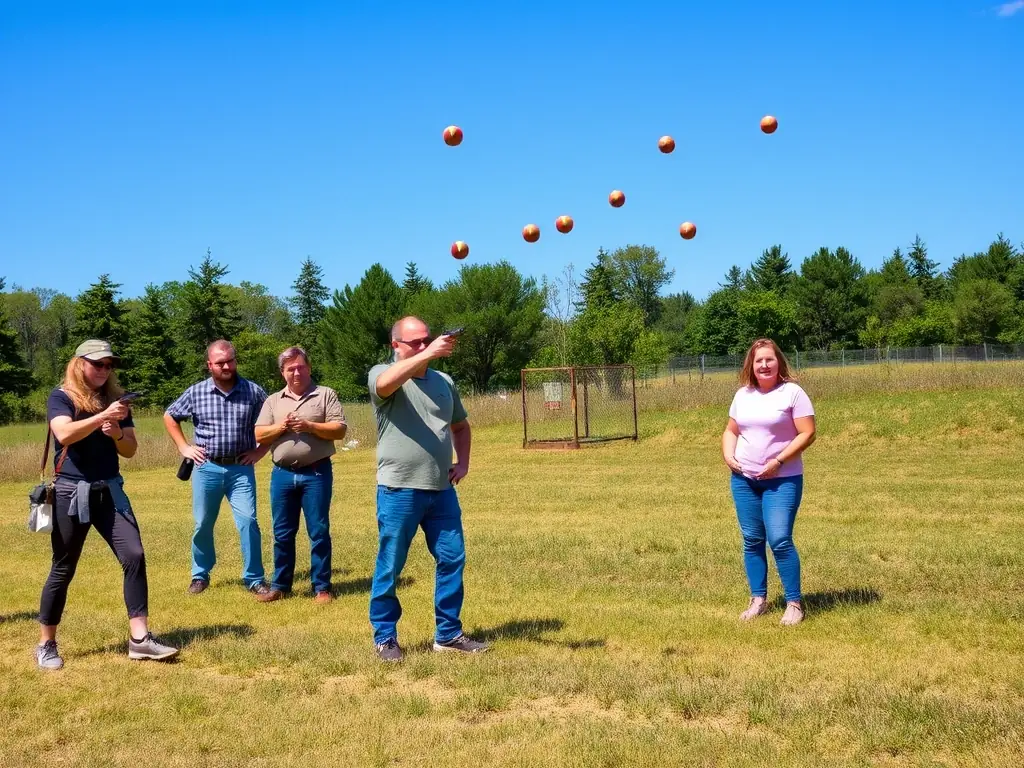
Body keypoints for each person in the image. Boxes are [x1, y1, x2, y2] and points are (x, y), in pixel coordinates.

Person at [35, 339, 179, 670]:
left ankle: (140, 640)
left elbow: (129, 450)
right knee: (63, 567)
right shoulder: (62, 397)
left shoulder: (116, 400)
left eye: (108, 365)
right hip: (72, 492)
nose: (104, 370)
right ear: (79, 364)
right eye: (97, 364)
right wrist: (101, 416)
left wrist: (115, 431)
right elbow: (64, 435)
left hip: (110, 490)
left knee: (134, 555)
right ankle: (46, 643)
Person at [366, 316, 489, 661]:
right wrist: (428, 354)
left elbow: (460, 427)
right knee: (390, 564)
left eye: (427, 341)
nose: (423, 346)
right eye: (415, 342)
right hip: (398, 490)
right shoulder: (382, 374)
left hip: (441, 490)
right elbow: (385, 384)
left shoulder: (443, 382)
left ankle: (448, 634)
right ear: (396, 345)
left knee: (452, 558)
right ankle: (385, 638)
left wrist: (462, 462)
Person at [162, 339, 272, 598]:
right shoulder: (196, 392)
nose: (226, 366)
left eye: (230, 360)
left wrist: (259, 451)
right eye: (220, 362)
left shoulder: (253, 392)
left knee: (248, 521)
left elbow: (272, 423)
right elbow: (170, 416)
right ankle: (199, 575)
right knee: (203, 523)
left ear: (236, 361)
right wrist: (184, 447)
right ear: (209, 364)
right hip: (206, 467)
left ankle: (255, 578)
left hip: (240, 469)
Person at [722, 338, 816, 626]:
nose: (764, 365)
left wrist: (778, 462)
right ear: (751, 364)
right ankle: (758, 600)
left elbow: (807, 433)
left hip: (782, 480)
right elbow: (731, 430)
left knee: (779, 539)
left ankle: (794, 603)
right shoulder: (743, 395)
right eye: (758, 360)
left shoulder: (793, 393)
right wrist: (728, 455)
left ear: (779, 363)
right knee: (752, 540)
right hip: (744, 480)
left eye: (769, 359)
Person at [253, 346, 347, 604]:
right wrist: (282, 426)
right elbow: (259, 435)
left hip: (316, 472)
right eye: (290, 368)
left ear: (309, 368)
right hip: (282, 475)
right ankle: (280, 585)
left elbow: (339, 430)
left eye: (300, 367)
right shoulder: (273, 401)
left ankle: (322, 587)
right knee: (282, 532)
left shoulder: (325, 394)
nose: (296, 372)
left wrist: (309, 426)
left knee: (318, 531)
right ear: (282, 373)